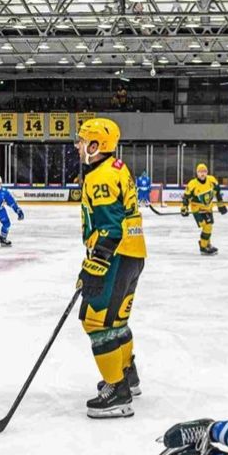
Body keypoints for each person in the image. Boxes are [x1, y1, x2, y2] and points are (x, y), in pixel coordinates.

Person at [74, 117, 145, 419]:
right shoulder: (116, 166)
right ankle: (126, 375)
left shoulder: (99, 176)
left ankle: (117, 391)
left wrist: (94, 266)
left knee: (96, 322)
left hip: (114, 254)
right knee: (116, 321)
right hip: (132, 253)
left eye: (81, 140)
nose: (77, 146)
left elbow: (110, 227)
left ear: (95, 145)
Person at [180, 162, 227, 255]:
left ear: (207, 172)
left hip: (208, 208)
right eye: (200, 171)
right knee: (207, 226)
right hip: (197, 209)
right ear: (197, 173)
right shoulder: (192, 184)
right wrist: (184, 208)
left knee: (209, 226)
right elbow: (186, 198)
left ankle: (207, 244)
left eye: (204, 171)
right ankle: (203, 246)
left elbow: (217, 193)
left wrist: (221, 206)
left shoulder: (212, 180)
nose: (202, 173)